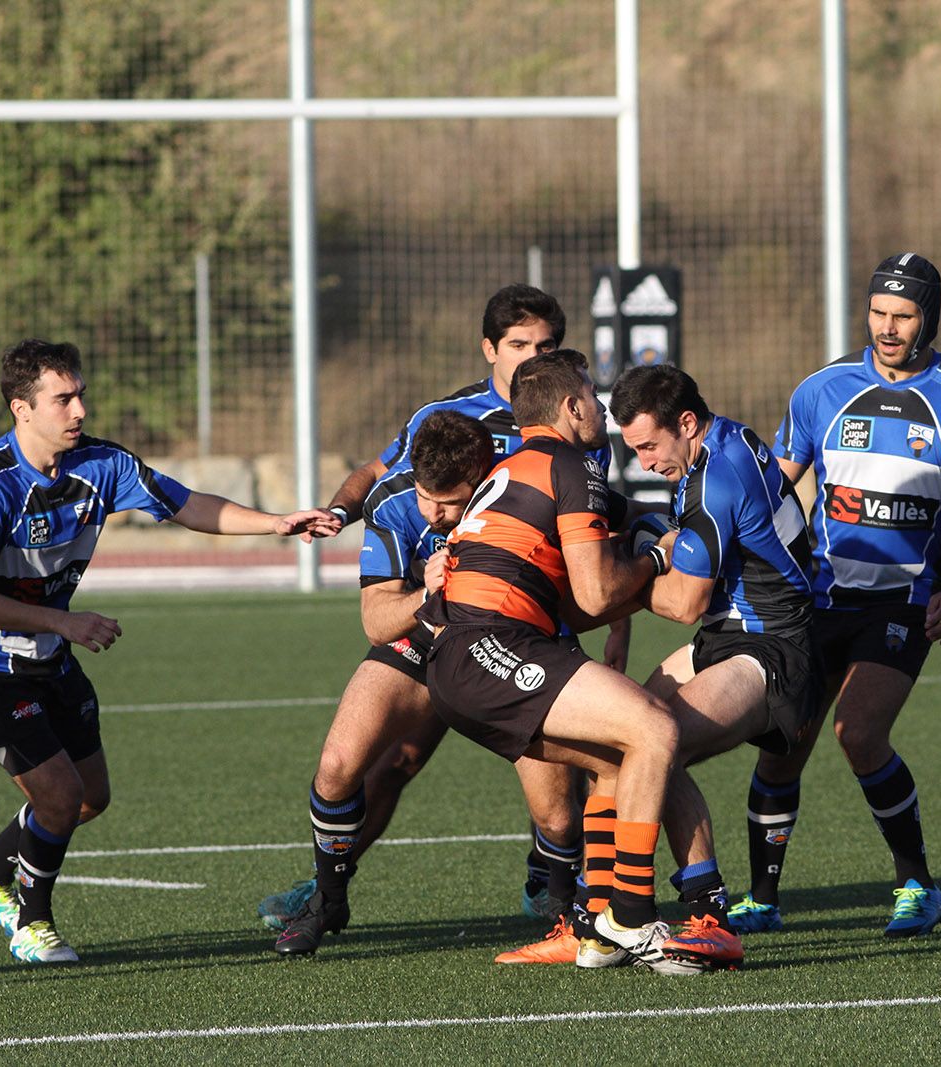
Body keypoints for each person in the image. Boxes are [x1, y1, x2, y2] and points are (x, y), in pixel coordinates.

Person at [0, 339, 340, 964]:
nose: (78, 411)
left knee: (90, 798)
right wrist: (64, 623)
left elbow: (186, 505)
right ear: (22, 408)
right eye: (62, 399)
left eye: (81, 396)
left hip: (48, 648)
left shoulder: (103, 465)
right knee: (60, 797)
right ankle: (33, 923)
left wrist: (276, 523)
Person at [261, 284, 624, 930]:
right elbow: (380, 473)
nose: (531, 357)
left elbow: (600, 540)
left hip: (521, 628)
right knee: (365, 762)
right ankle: (327, 888)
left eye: (545, 347)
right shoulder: (446, 420)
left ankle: (560, 887)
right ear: (489, 349)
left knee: (558, 806)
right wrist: (344, 510)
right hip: (432, 626)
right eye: (517, 345)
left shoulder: (575, 430)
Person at [724, 252, 941, 938]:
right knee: (783, 740)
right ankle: (763, 897)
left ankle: (918, 884)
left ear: (928, 318)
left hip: (902, 604)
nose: (888, 327)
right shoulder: (822, 391)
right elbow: (773, 489)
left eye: (903, 315)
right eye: (879, 312)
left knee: (859, 731)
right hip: (817, 600)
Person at [495, 363, 820, 971]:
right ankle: (595, 923)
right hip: (730, 633)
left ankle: (709, 921)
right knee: (621, 741)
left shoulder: (714, 480)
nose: (643, 461)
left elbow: (683, 601)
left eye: (648, 445)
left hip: (773, 647)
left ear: (687, 423)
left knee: (652, 742)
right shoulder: (721, 441)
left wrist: (624, 573)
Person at [416, 349, 707, 974]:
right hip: (490, 647)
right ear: (572, 406)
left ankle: (594, 930)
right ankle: (631, 919)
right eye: (593, 395)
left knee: (616, 761)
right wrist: (658, 559)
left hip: (461, 655)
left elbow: (581, 582)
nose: (601, 406)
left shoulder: (517, 465)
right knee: (656, 728)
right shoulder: (569, 463)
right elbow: (598, 592)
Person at [272, 412, 500, 955]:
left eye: (448, 501)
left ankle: (561, 896)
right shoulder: (394, 502)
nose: (434, 514)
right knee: (337, 765)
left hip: (508, 639)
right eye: (427, 496)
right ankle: (327, 900)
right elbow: (377, 623)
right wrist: (428, 591)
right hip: (422, 635)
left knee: (557, 808)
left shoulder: (515, 489)